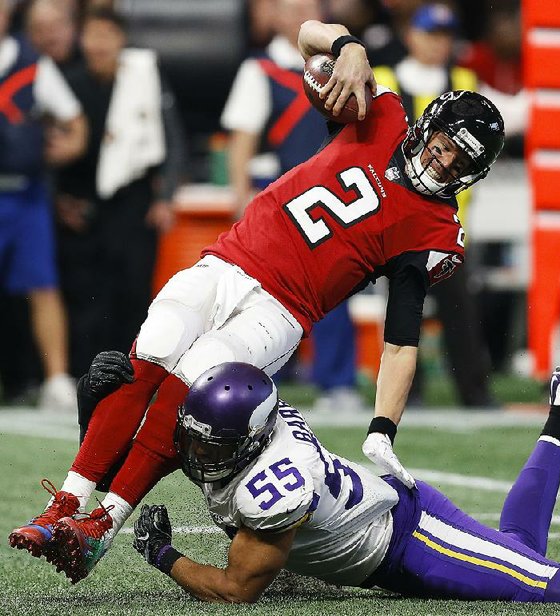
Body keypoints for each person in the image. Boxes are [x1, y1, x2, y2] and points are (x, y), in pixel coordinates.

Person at [7, 18, 505, 584]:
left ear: (472, 174)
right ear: (428, 128)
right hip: (229, 259)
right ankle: (64, 507)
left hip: (283, 310)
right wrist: (348, 47)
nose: (442, 163)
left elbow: (400, 342)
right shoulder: (383, 114)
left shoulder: (435, 230)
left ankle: (101, 526)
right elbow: (309, 36)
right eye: (443, 147)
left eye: (458, 163)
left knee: (188, 385)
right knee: (151, 352)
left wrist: (383, 429)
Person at [75, 359, 560, 606]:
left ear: (252, 438)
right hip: (388, 529)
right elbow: (146, 438)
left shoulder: (270, 480)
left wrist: (165, 556)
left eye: (210, 443)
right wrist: (101, 395)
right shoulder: (235, 432)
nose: (195, 451)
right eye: (196, 436)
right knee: (520, 550)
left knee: (552, 586)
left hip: (411, 540)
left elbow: (235, 589)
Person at [222, 0, 363, 412]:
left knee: (336, 285)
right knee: (268, 290)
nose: (301, 15)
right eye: (292, 7)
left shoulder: (345, 64)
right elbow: (243, 137)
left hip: (331, 191)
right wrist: (239, 193)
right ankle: (261, 377)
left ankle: (337, 381)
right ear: (275, 17)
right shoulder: (260, 69)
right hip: (278, 190)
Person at [373, 2, 511, 408]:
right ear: (412, 35)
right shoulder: (386, 80)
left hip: (447, 223)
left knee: (460, 313)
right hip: (396, 221)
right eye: (431, 34)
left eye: (445, 36)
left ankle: (474, 389)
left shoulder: (465, 81)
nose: (438, 44)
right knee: (403, 312)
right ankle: (407, 393)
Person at [54, 6, 184, 378]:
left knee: (133, 291)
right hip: (81, 207)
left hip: (133, 201)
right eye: (92, 35)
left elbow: (171, 137)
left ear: (121, 40)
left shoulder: (143, 77)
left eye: (107, 35)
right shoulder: (68, 82)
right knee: (84, 292)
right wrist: (58, 202)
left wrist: (165, 196)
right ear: (81, 39)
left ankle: (130, 375)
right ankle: (85, 374)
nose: (99, 44)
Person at [0, 0, 87, 411]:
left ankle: (55, 378)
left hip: (25, 195)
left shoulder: (34, 64)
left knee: (42, 286)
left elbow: (76, 125)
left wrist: (44, 154)